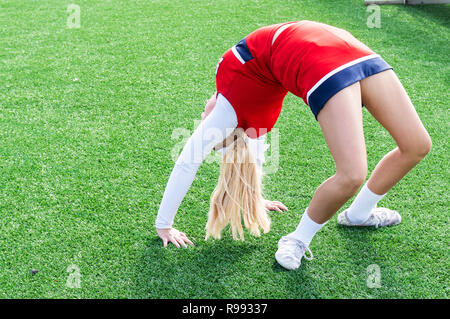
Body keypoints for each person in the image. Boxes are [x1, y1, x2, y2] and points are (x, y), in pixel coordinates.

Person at [155, 21, 431, 270]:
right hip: (320, 61)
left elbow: (254, 158)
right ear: (227, 132)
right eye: (213, 136)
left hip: (347, 46)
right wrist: (164, 226)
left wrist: (255, 198)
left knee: (417, 145)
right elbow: (187, 161)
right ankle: (296, 239)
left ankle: (359, 214)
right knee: (351, 175)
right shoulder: (228, 112)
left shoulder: (249, 112)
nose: (203, 115)